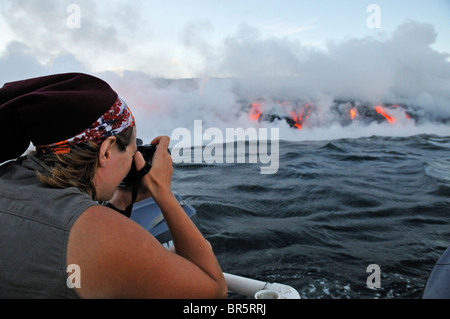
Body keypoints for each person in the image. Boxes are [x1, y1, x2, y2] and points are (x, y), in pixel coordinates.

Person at [0, 73, 227, 299]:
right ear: (106, 151)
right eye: (130, 151)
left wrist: (119, 204)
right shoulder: (97, 233)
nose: (132, 160)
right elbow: (213, 291)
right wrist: (161, 190)